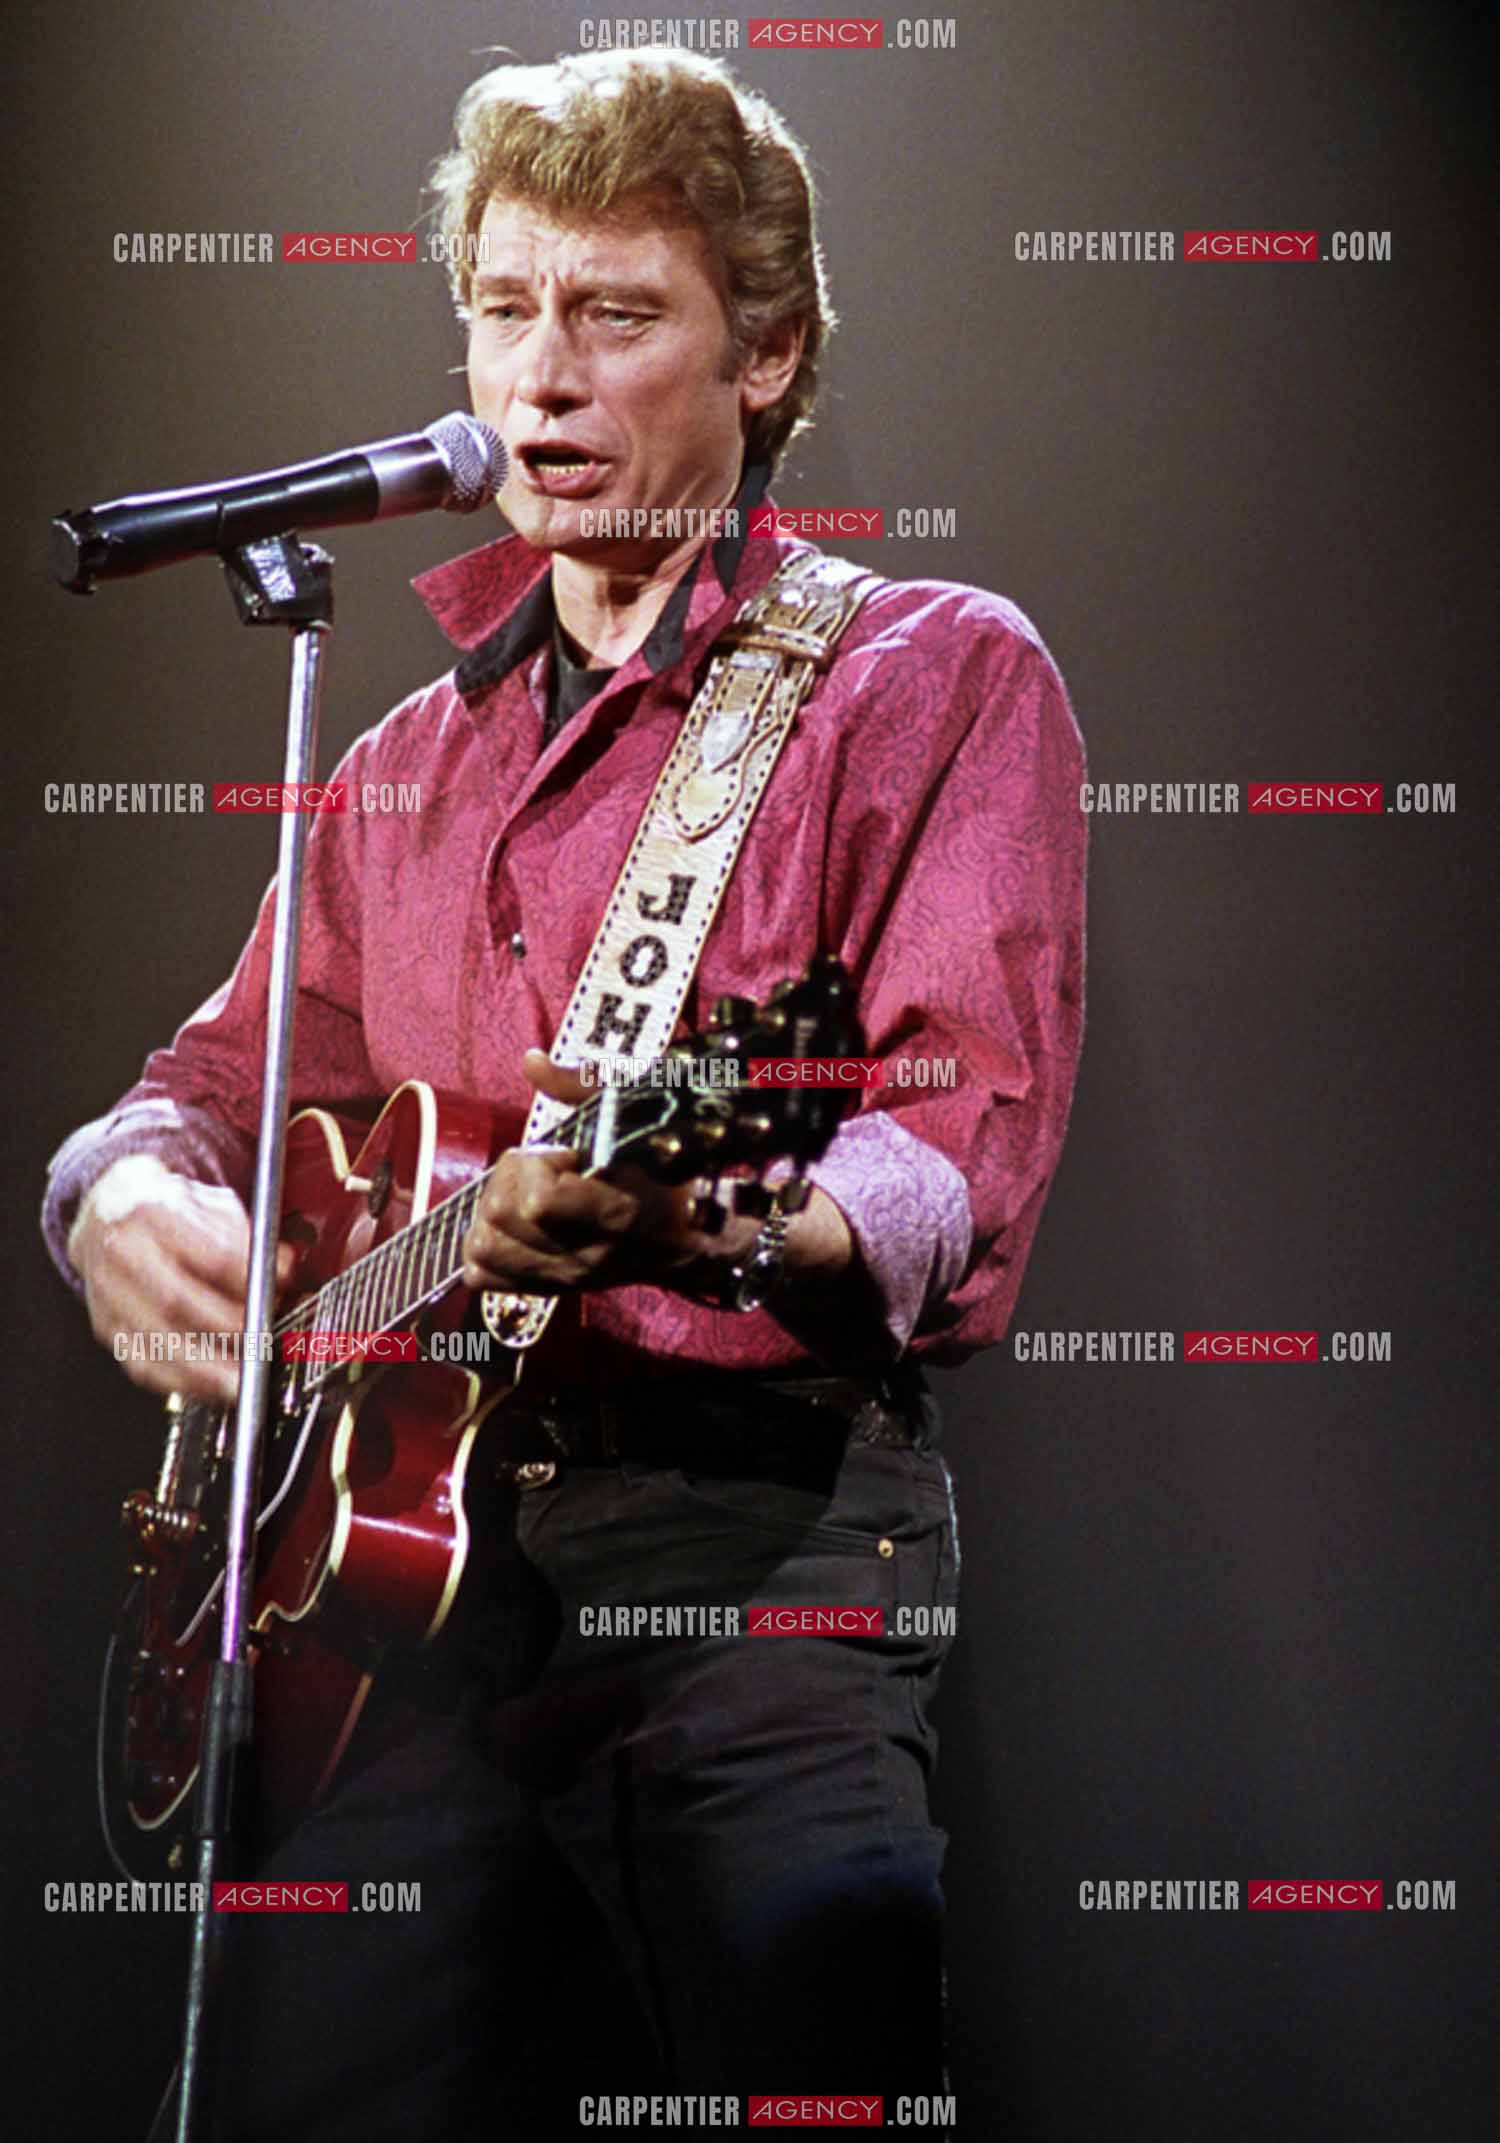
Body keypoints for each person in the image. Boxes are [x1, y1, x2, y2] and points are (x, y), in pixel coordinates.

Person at [43, 47, 1086, 2142]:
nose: (545, 370)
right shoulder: (401, 760)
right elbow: (201, 1087)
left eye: (617, 313)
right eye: (507, 308)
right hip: (397, 1603)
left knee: (818, 2020)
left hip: (759, 1555)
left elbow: (944, 1154)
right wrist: (109, 1194)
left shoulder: (926, 675)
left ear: (767, 354)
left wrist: (710, 1218)